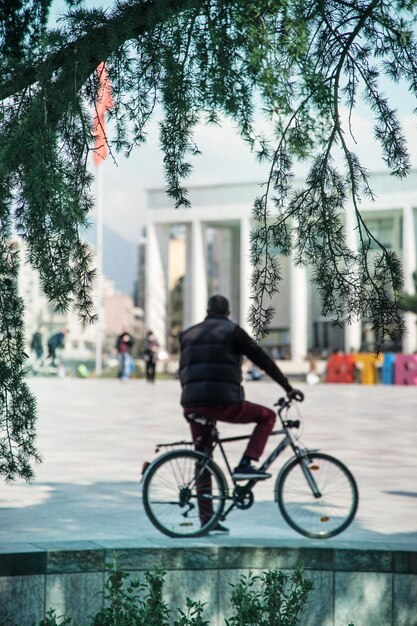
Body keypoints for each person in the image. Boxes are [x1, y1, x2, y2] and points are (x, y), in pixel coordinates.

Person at [179, 294, 304, 533]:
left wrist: (191, 400)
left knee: (203, 457)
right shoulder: (232, 331)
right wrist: (288, 387)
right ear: (227, 313)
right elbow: (263, 361)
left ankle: (207, 519)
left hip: (192, 404)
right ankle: (246, 464)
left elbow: (184, 371)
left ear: (207, 311)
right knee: (267, 416)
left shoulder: (188, 334)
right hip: (223, 401)